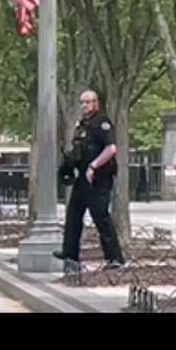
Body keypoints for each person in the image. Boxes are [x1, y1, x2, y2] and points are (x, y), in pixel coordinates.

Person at [53, 89, 125, 269]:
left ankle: (114, 258)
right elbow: (79, 150)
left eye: (88, 102)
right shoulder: (82, 125)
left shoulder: (102, 123)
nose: (84, 105)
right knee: (73, 215)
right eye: (82, 102)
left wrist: (94, 166)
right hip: (83, 176)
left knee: (100, 216)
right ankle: (70, 253)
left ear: (96, 103)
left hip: (99, 178)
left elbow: (110, 149)